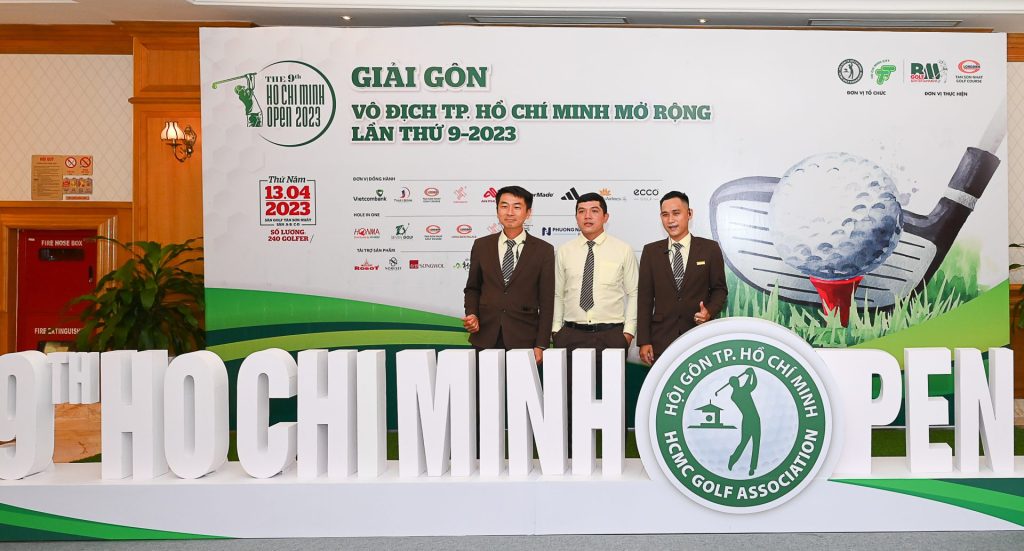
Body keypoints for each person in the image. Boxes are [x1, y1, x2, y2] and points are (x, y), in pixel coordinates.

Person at [463, 186, 554, 364]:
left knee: (520, 384)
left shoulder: (543, 250)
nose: (510, 212)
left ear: (528, 213)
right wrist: (472, 314)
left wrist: (541, 344)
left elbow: (547, 301)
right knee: (485, 383)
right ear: (497, 210)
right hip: (485, 336)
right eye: (504, 206)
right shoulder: (481, 246)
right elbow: (473, 288)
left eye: (517, 207)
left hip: (524, 338)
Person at [552, 191, 638, 374]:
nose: (587, 216)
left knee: (612, 392)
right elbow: (557, 294)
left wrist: (628, 334)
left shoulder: (623, 250)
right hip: (570, 336)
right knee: (571, 391)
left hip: (611, 336)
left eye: (594, 211)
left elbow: (634, 293)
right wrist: (556, 331)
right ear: (576, 217)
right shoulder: (564, 251)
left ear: (605, 217)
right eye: (581, 211)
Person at [637, 191, 728, 365]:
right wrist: (644, 340)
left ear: (689, 214)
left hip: (698, 336)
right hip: (661, 339)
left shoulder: (709, 248)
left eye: (676, 213)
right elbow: (645, 300)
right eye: (665, 215)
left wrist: (708, 311)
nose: (670, 220)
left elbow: (720, 290)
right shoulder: (651, 252)